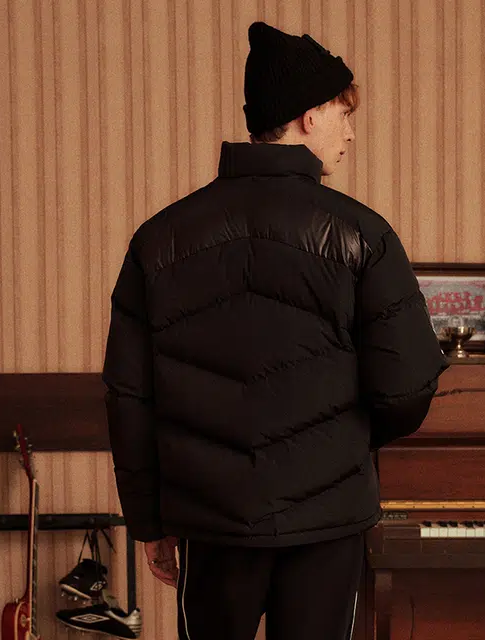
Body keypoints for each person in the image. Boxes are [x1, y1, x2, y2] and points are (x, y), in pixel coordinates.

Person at [102, 21, 448, 640]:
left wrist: (150, 523)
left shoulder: (159, 240)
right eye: (344, 113)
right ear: (309, 117)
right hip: (327, 522)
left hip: (210, 521)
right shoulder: (363, 235)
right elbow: (407, 389)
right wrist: (340, 441)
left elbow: (129, 397)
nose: (351, 131)